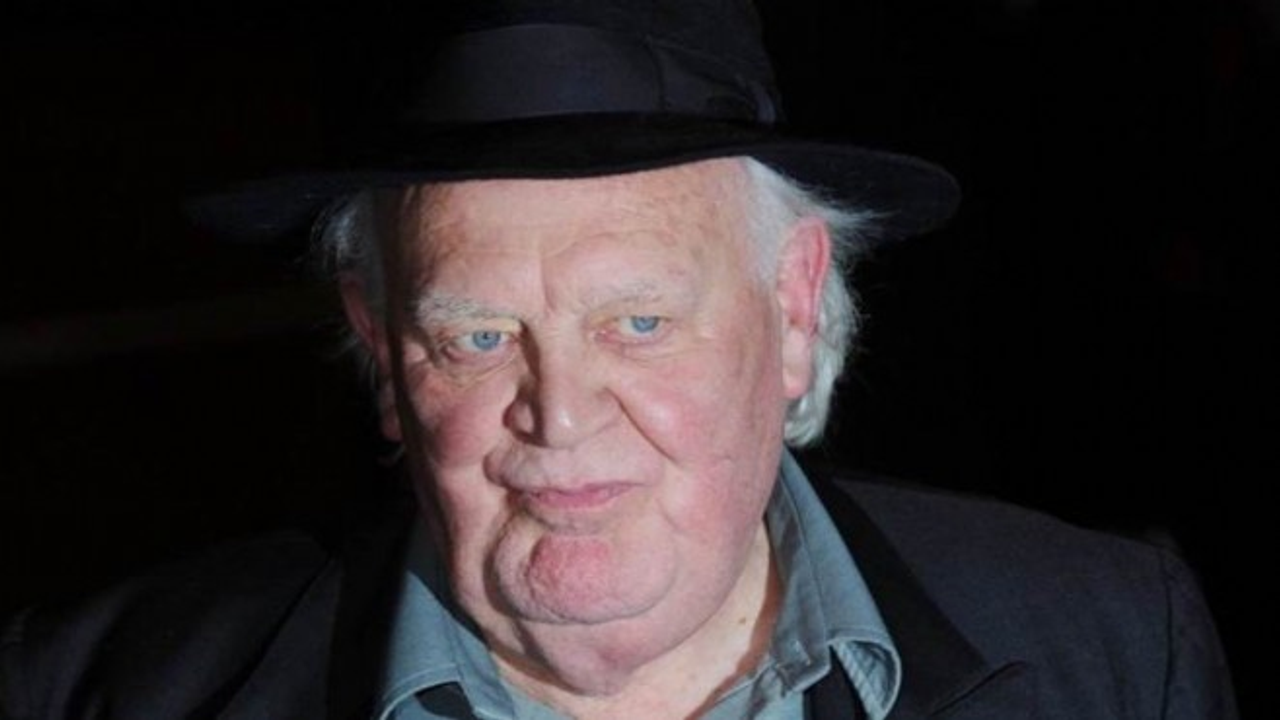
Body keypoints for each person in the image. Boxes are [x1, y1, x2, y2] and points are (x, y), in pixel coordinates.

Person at [0, 0, 1237, 718]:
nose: (560, 416)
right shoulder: (97, 690)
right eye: (477, 336)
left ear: (792, 310)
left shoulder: (1113, 647)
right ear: (381, 349)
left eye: (636, 322)